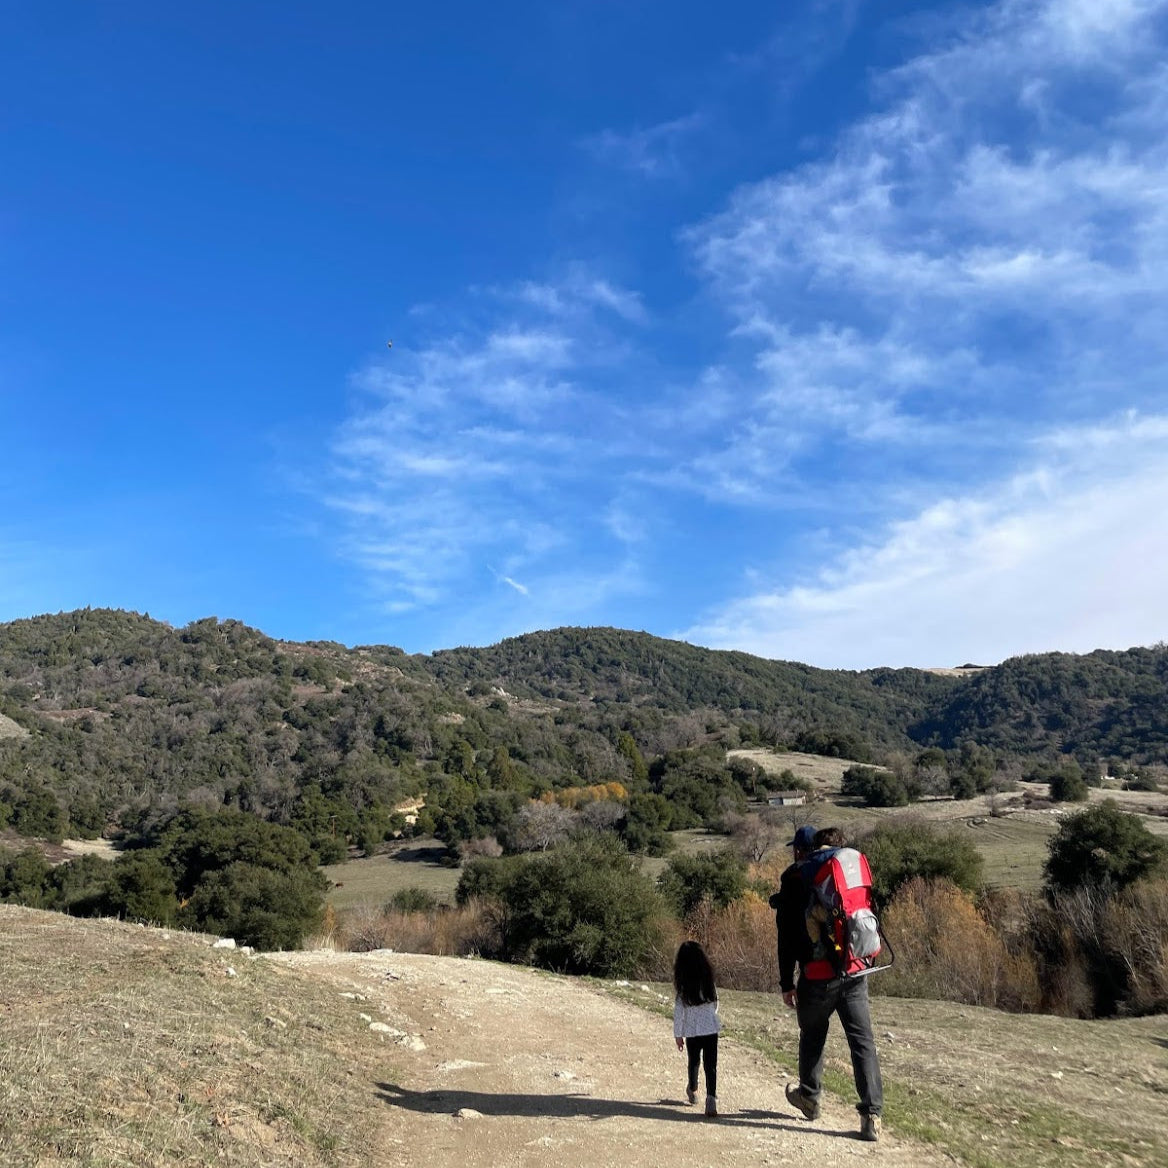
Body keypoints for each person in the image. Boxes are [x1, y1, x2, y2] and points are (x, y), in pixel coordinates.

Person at [770, 825, 884, 1142]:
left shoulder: (795, 877)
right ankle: (872, 1115)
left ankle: (809, 1097)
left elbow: (786, 937)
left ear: (799, 850)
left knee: (812, 1034)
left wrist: (786, 982)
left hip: (818, 974)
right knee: (862, 1042)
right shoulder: (844, 870)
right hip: (855, 968)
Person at [673, 940, 721, 1118]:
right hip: (711, 1029)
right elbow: (715, 1003)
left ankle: (693, 1089)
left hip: (692, 1031)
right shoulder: (709, 982)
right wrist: (711, 1016)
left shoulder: (683, 988)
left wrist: (678, 1035)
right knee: (711, 1065)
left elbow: (678, 1013)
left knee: (694, 1061)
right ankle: (711, 1099)